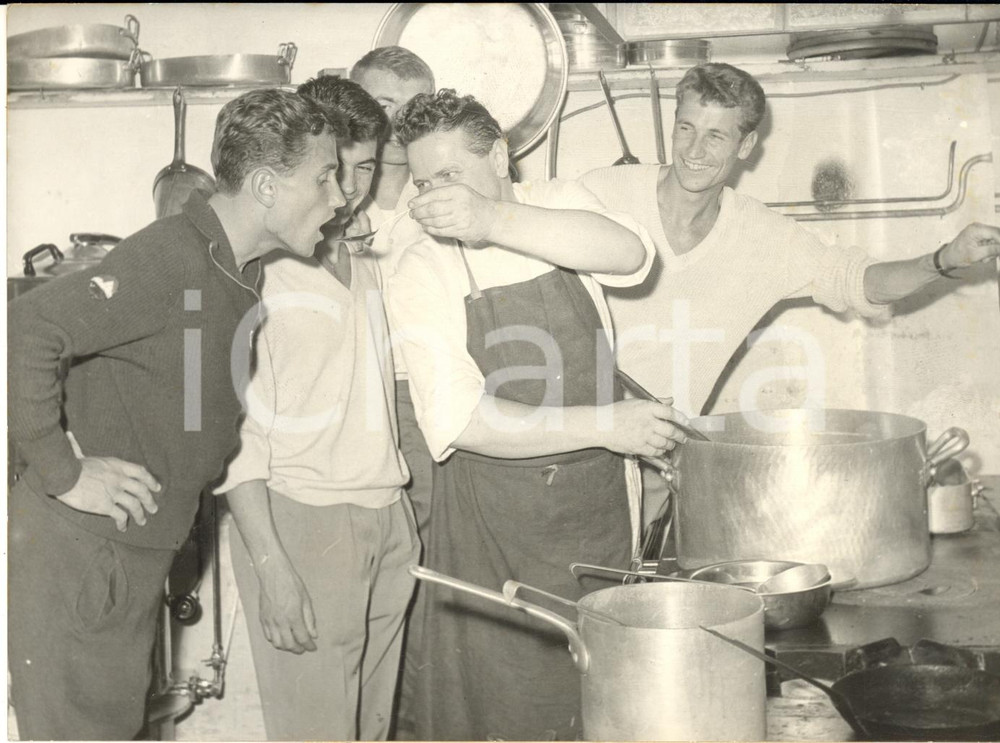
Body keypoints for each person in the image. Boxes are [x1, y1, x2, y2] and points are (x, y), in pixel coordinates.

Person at [7, 88, 347, 740]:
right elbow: (23, 329)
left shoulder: (236, 269)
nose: (339, 198)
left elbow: (187, 408)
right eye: (325, 176)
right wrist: (65, 470)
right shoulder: (173, 257)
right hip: (84, 555)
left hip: (125, 555)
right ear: (267, 187)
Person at [580, 62, 1000, 529]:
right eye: (686, 128)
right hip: (564, 451)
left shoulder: (764, 238)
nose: (694, 150)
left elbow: (855, 281)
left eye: (716, 136)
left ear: (745, 146)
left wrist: (943, 260)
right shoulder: (602, 194)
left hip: (654, 477)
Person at [386, 89, 686, 741]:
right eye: (423, 180)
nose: (437, 195)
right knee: (510, 709)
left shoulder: (556, 204)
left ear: (499, 156)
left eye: (453, 175)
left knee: (601, 703)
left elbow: (632, 255)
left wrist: (491, 218)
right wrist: (606, 426)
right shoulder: (421, 262)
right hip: (497, 531)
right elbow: (459, 420)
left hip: (599, 512)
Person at [215, 77, 419, 741]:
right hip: (303, 521)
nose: (351, 191)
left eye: (365, 168)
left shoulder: (361, 254)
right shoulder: (257, 270)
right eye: (335, 171)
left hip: (387, 514)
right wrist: (272, 565)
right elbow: (234, 439)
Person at [350, 46, 437, 739]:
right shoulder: (326, 193)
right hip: (342, 408)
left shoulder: (439, 193)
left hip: (419, 403)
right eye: (379, 106)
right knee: (354, 586)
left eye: (406, 110)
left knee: (423, 576)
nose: (393, 125)